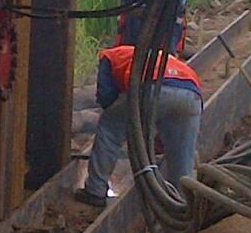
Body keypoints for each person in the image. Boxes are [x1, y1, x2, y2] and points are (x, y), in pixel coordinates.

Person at [74, 42, 203, 208]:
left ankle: (95, 190)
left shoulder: (108, 56)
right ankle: (183, 202)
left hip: (151, 85)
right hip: (191, 93)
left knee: (109, 128)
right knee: (183, 153)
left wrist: (125, 125)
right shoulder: (158, 57)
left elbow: (106, 97)